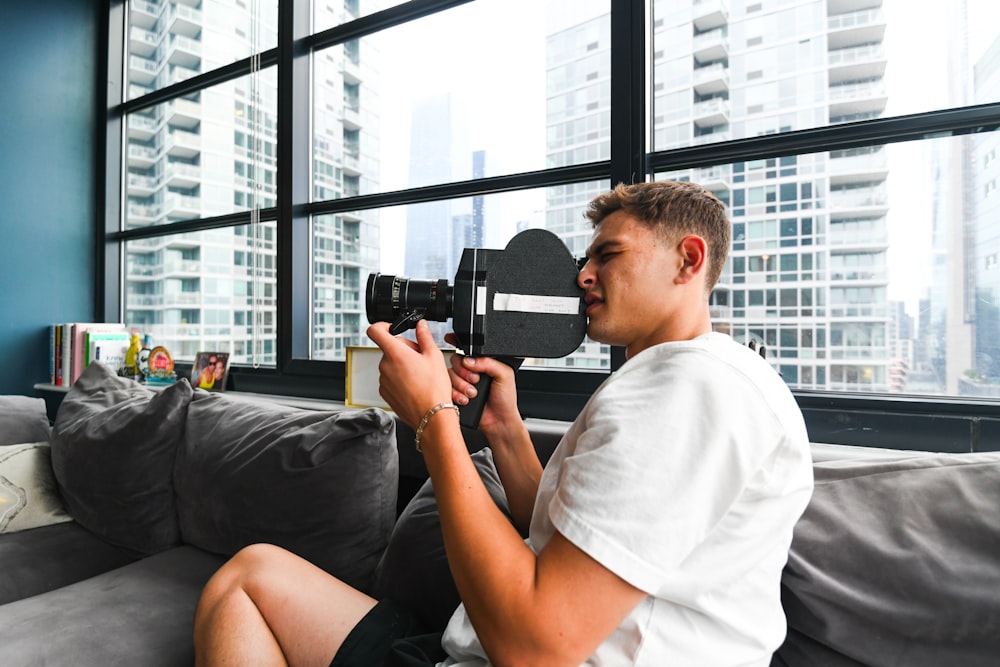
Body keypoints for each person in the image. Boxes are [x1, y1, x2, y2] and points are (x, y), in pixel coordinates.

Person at [192, 180, 814, 666]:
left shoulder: (691, 387)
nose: (584, 275)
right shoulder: (686, 382)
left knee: (246, 581)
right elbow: (561, 539)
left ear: (688, 260)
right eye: (585, 257)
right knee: (251, 577)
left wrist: (433, 418)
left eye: (609, 254)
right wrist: (505, 429)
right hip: (470, 649)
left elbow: (534, 649)